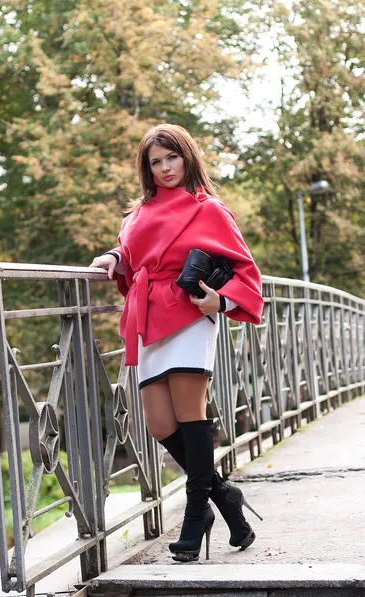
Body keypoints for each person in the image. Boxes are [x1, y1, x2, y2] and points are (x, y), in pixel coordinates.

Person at [89, 124, 264, 563]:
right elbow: (129, 253)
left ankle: (195, 513)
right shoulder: (137, 214)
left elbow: (247, 272)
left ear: (188, 158)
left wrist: (219, 302)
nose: (165, 168)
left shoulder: (210, 210)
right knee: (159, 424)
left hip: (189, 312)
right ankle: (226, 500)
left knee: (190, 415)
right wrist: (113, 256)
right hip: (147, 315)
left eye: (172, 158)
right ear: (146, 169)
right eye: (156, 162)